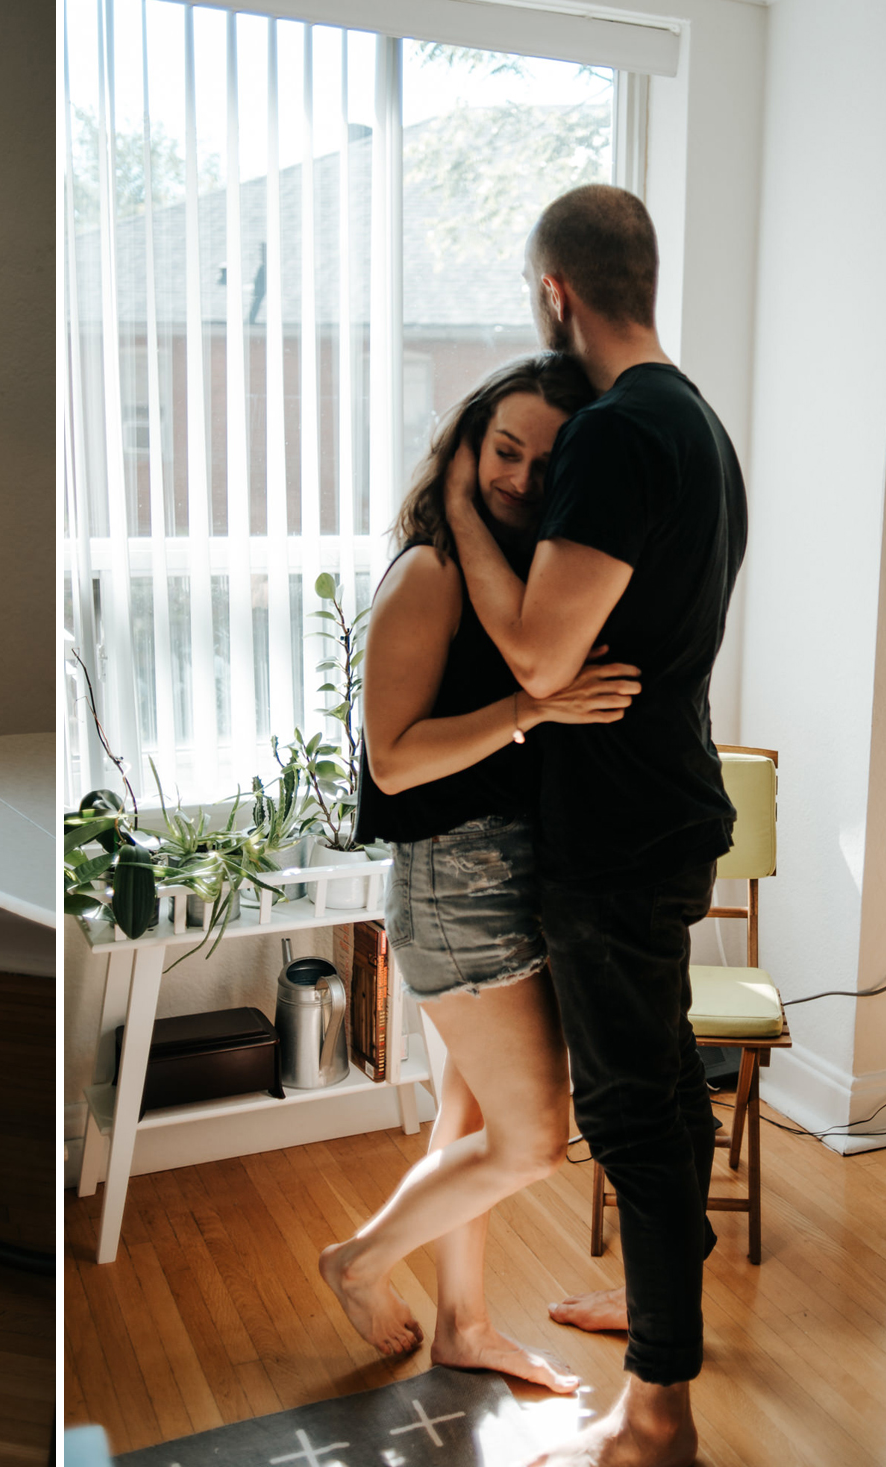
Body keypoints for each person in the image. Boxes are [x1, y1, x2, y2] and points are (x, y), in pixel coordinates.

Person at [442, 186, 746, 1467]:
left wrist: (459, 504)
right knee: (665, 1084)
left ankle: (656, 1409)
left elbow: (537, 652)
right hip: (668, 799)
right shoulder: (700, 423)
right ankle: (660, 1311)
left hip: (616, 830)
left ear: (553, 292)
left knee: (626, 1108)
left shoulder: (621, 431)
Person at [319, 354, 640, 1395]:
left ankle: (461, 1325)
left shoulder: (524, 585)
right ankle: (355, 1261)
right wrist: (530, 711)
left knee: (466, 1126)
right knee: (535, 1143)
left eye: (548, 463)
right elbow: (392, 759)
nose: (520, 476)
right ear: (465, 446)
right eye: (503, 450)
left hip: (506, 880)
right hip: (458, 891)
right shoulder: (430, 572)